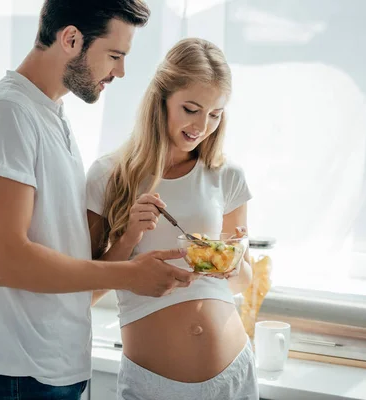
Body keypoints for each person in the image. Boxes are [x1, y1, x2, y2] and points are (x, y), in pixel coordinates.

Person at [0, 1, 201, 399]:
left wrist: (125, 245)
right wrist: (130, 275)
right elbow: (6, 262)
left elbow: (68, 272)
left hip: (52, 368)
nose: (120, 71)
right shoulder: (6, 115)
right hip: (19, 373)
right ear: (71, 39)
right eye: (115, 55)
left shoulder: (51, 116)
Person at [86, 38, 259, 399]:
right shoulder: (109, 175)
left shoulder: (227, 176)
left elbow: (239, 284)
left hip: (232, 377)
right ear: (160, 100)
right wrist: (129, 236)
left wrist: (237, 258)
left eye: (215, 114)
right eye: (191, 109)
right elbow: (83, 292)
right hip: (153, 385)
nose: (202, 126)